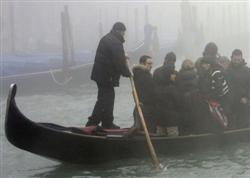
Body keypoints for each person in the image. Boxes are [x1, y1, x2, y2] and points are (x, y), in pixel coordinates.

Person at [86, 22, 131, 129]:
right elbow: (119, 62)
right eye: (123, 32)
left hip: (101, 75)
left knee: (107, 98)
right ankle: (92, 124)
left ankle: (107, 123)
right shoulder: (115, 43)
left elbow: (115, 57)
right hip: (106, 76)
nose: (124, 35)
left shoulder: (108, 38)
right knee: (105, 100)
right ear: (119, 31)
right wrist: (128, 73)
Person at [153, 52, 180, 136]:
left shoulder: (156, 71)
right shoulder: (175, 73)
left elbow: (153, 90)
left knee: (160, 135)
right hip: (171, 112)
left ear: (165, 59)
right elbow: (177, 96)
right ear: (174, 61)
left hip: (159, 110)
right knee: (173, 135)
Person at [132, 55, 157, 133]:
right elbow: (151, 92)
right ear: (142, 64)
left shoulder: (138, 74)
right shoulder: (144, 76)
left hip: (141, 107)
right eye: (149, 63)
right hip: (146, 109)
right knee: (150, 131)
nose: (151, 66)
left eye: (152, 64)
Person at [226, 49, 250, 128]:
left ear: (242, 59)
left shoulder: (247, 70)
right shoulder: (227, 71)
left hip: (245, 102)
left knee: (246, 124)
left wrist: (246, 97)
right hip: (232, 104)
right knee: (235, 125)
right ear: (231, 58)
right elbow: (229, 87)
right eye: (235, 59)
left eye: (238, 60)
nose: (236, 61)